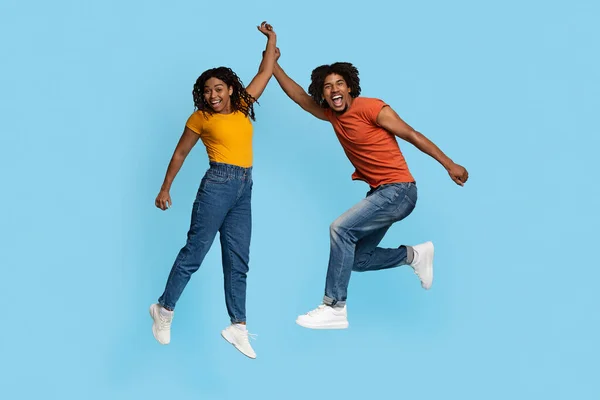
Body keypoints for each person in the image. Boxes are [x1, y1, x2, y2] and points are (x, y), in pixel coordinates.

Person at [272, 51, 469, 329]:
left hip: (399, 190)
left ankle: (334, 306)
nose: (334, 90)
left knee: (340, 229)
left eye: (339, 83)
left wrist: (449, 164)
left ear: (349, 87)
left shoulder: (371, 108)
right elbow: (300, 98)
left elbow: (411, 134)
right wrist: (272, 64)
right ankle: (414, 255)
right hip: (380, 194)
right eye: (327, 86)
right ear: (323, 94)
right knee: (357, 259)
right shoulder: (332, 116)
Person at [149, 21, 277, 358]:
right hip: (217, 185)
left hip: (244, 188)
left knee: (238, 260)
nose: (212, 95)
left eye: (218, 88)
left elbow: (265, 73)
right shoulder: (201, 118)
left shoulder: (244, 105)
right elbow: (180, 152)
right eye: (207, 90)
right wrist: (165, 188)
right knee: (195, 252)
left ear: (231, 89)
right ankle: (164, 309)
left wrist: (271, 40)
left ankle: (238, 327)